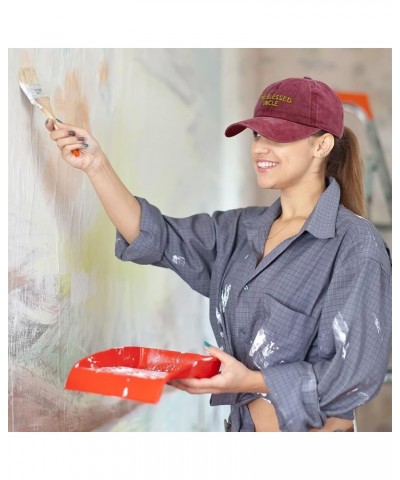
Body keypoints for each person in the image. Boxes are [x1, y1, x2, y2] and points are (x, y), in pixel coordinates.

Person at [45, 76, 392, 432]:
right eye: (257, 135)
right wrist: (95, 164)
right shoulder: (240, 230)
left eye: (278, 136)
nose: (259, 148)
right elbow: (157, 237)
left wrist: (249, 381)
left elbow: (356, 374)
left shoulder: (354, 244)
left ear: (321, 145)